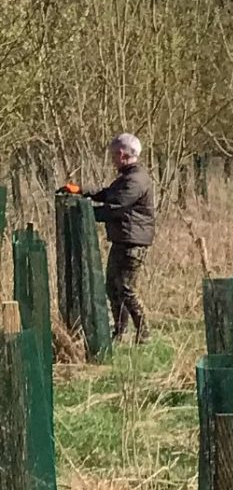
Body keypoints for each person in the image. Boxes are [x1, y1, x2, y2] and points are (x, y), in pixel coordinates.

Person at [85, 134, 156, 342]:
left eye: (113, 155)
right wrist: (82, 191)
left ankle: (144, 334)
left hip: (133, 242)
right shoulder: (127, 176)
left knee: (126, 288)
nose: (112, 159)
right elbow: (108, 194)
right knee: (113, 287)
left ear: (122, 154)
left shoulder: (136, 180)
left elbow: (115, 207)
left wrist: (84, 214)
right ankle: (120, 331)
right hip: (123, 239)